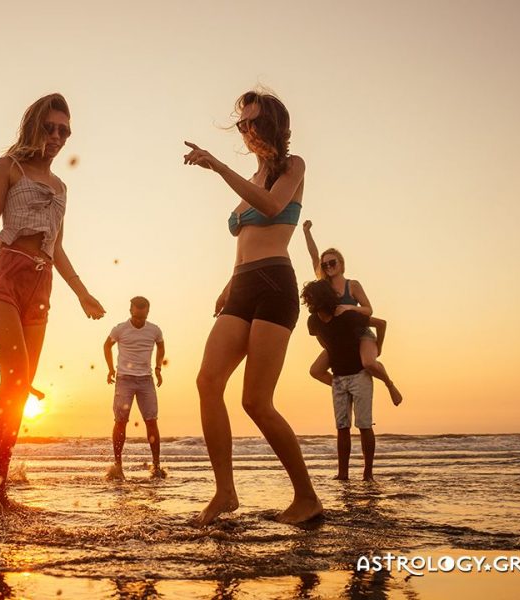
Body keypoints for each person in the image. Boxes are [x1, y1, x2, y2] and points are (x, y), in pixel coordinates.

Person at [183, 90, 322, 525]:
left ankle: (307, 498)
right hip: (241, 287)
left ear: (275, 125)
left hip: (275, 285)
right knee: (208, 382)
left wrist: (217, 166)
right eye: (242, 124)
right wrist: (229, 283)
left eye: (255, 122)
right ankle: (225, 492)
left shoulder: (292, 167)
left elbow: (271, 207)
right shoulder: (253, 173)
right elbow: (245, 242)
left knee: (256, 402)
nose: (248, 130)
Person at [0, 93, 106, 515]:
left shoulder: (62, 187)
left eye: (64, 130)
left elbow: (58, 246)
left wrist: (82, 292)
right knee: (13, 380)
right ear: (33, 127)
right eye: (49, 127)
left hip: (41, 287)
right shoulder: (7, 168)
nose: (56, 136)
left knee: (20, 390)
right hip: (5, 276)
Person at [301, 279, 402, 481]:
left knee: (364, 425)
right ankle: (343, 474)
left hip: (360, 375)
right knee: (342, 427)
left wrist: (378, 348)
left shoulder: (347, 315)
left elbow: (381, 324)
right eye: (307, 300)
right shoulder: (313, 321)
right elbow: (322, 339)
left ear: (322, 297)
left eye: (312, 299)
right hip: (339, 377)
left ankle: (368, 474)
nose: (309, 304)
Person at [302, 221, 403, 406]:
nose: (328, 266)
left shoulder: (352, 285)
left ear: (341, 263)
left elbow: (368, 310)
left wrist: (349, 308)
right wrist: (306, 232)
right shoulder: (324, 286)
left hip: (360, 332)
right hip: (339, 340)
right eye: (325, 265)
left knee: (369, 364)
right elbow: (314, 256)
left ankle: (389, 384)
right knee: (315, 370)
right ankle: (342, 388)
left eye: (332, 262)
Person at [103, 296, 166, 479]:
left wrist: (158, 367)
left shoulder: (154, 330)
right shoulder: (120, 329)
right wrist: (110, 369)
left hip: (146, 380)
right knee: (120, 421)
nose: (139, 320)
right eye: (136, 316)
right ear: (131, 311)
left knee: (151, 421)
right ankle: (118, 466)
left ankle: (156, 466)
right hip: (124, 380)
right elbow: (107, 346)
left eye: (142, 316)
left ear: (147, 312)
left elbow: (161, 347)